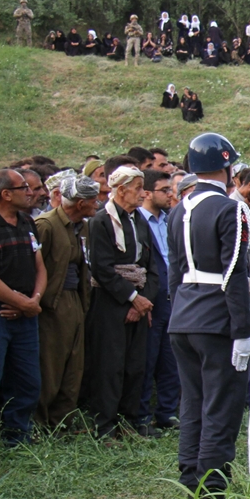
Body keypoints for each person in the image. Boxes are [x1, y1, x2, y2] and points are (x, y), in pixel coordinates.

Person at [167, 133, 250, 499]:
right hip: (217, 318)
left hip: (184, 314)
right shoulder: (228, 210)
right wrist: (243, 329)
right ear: (227, 166)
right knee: (221, 408)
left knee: (193, 405)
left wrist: (179, 311)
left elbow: (174, 271)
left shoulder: (178, 208)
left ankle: (191, 483)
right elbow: (235, 273)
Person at [84, 166, 158, 441]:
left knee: (135, 366)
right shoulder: (101, 221)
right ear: (121, 190)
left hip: (139, 302)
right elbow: (102, 269)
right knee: (110, 366)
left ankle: (130, 421)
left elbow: (150, 265)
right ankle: (105, 426)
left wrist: (144, 300)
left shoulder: (138, 219)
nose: (142, 193)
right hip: (111, 301)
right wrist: (132, 298)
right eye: (137, 188)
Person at [0, 169, 47, 446]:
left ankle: (18, 435)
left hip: (27, 311)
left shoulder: (27, 222)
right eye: (24, 188)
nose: (30, 192)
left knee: (28, 379)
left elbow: (40, 265)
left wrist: (34, 300)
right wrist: (21, 302)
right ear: (6, 194)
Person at [34, 173, 97, 432]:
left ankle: (63, 422)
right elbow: (35, 268)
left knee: (74, 365)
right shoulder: (46, 225)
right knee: (50, 365)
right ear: (80, 203)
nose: (97, 204)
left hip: (75, 301)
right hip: (51, 305)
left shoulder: (82, 227)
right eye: (93, 200)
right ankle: (40, 424)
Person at [136, 169, 180, 431]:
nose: (170, 194)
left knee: (170, 359)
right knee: (147, 360)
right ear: (147, 193)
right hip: (150, 299)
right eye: (164, 190)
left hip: (172, 297)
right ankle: (142, 416)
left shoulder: (169, 219)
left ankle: (167, 412)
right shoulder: (137, 221)